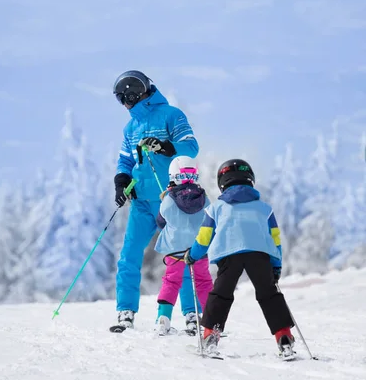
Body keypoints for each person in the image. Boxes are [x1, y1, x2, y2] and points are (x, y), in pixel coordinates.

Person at [110, 70, 199, 333]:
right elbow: (125, 160)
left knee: (179, 256)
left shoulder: (172, 115)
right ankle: (125, 312)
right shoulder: (131, 127)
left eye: (123, 99)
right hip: (141, 202)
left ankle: (192, 314)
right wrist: (121, 180)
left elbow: (191, 147)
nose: (124, 105)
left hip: (170, 199)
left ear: (134, 93)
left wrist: (167, 147)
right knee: (128, 256)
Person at [184, 158, 295, 360]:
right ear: (250, 179)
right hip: (260, 254)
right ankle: (284, 338)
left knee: (221, 294)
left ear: (222, 183)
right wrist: (276, 265)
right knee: (269, 294)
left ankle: (210, 337)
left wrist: (192, 255)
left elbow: (204, 238)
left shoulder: (216, 208)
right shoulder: (265, 209)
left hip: (229, 254)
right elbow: (275, 239)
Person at [154, 156, 213, 336]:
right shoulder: (204, 198)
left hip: (175, 250)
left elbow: (161, 221)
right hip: (198, 249)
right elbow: (209, 220)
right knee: (203, 281)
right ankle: (212, 321)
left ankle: (163, 319)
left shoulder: (169, 199)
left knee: (172, 280)